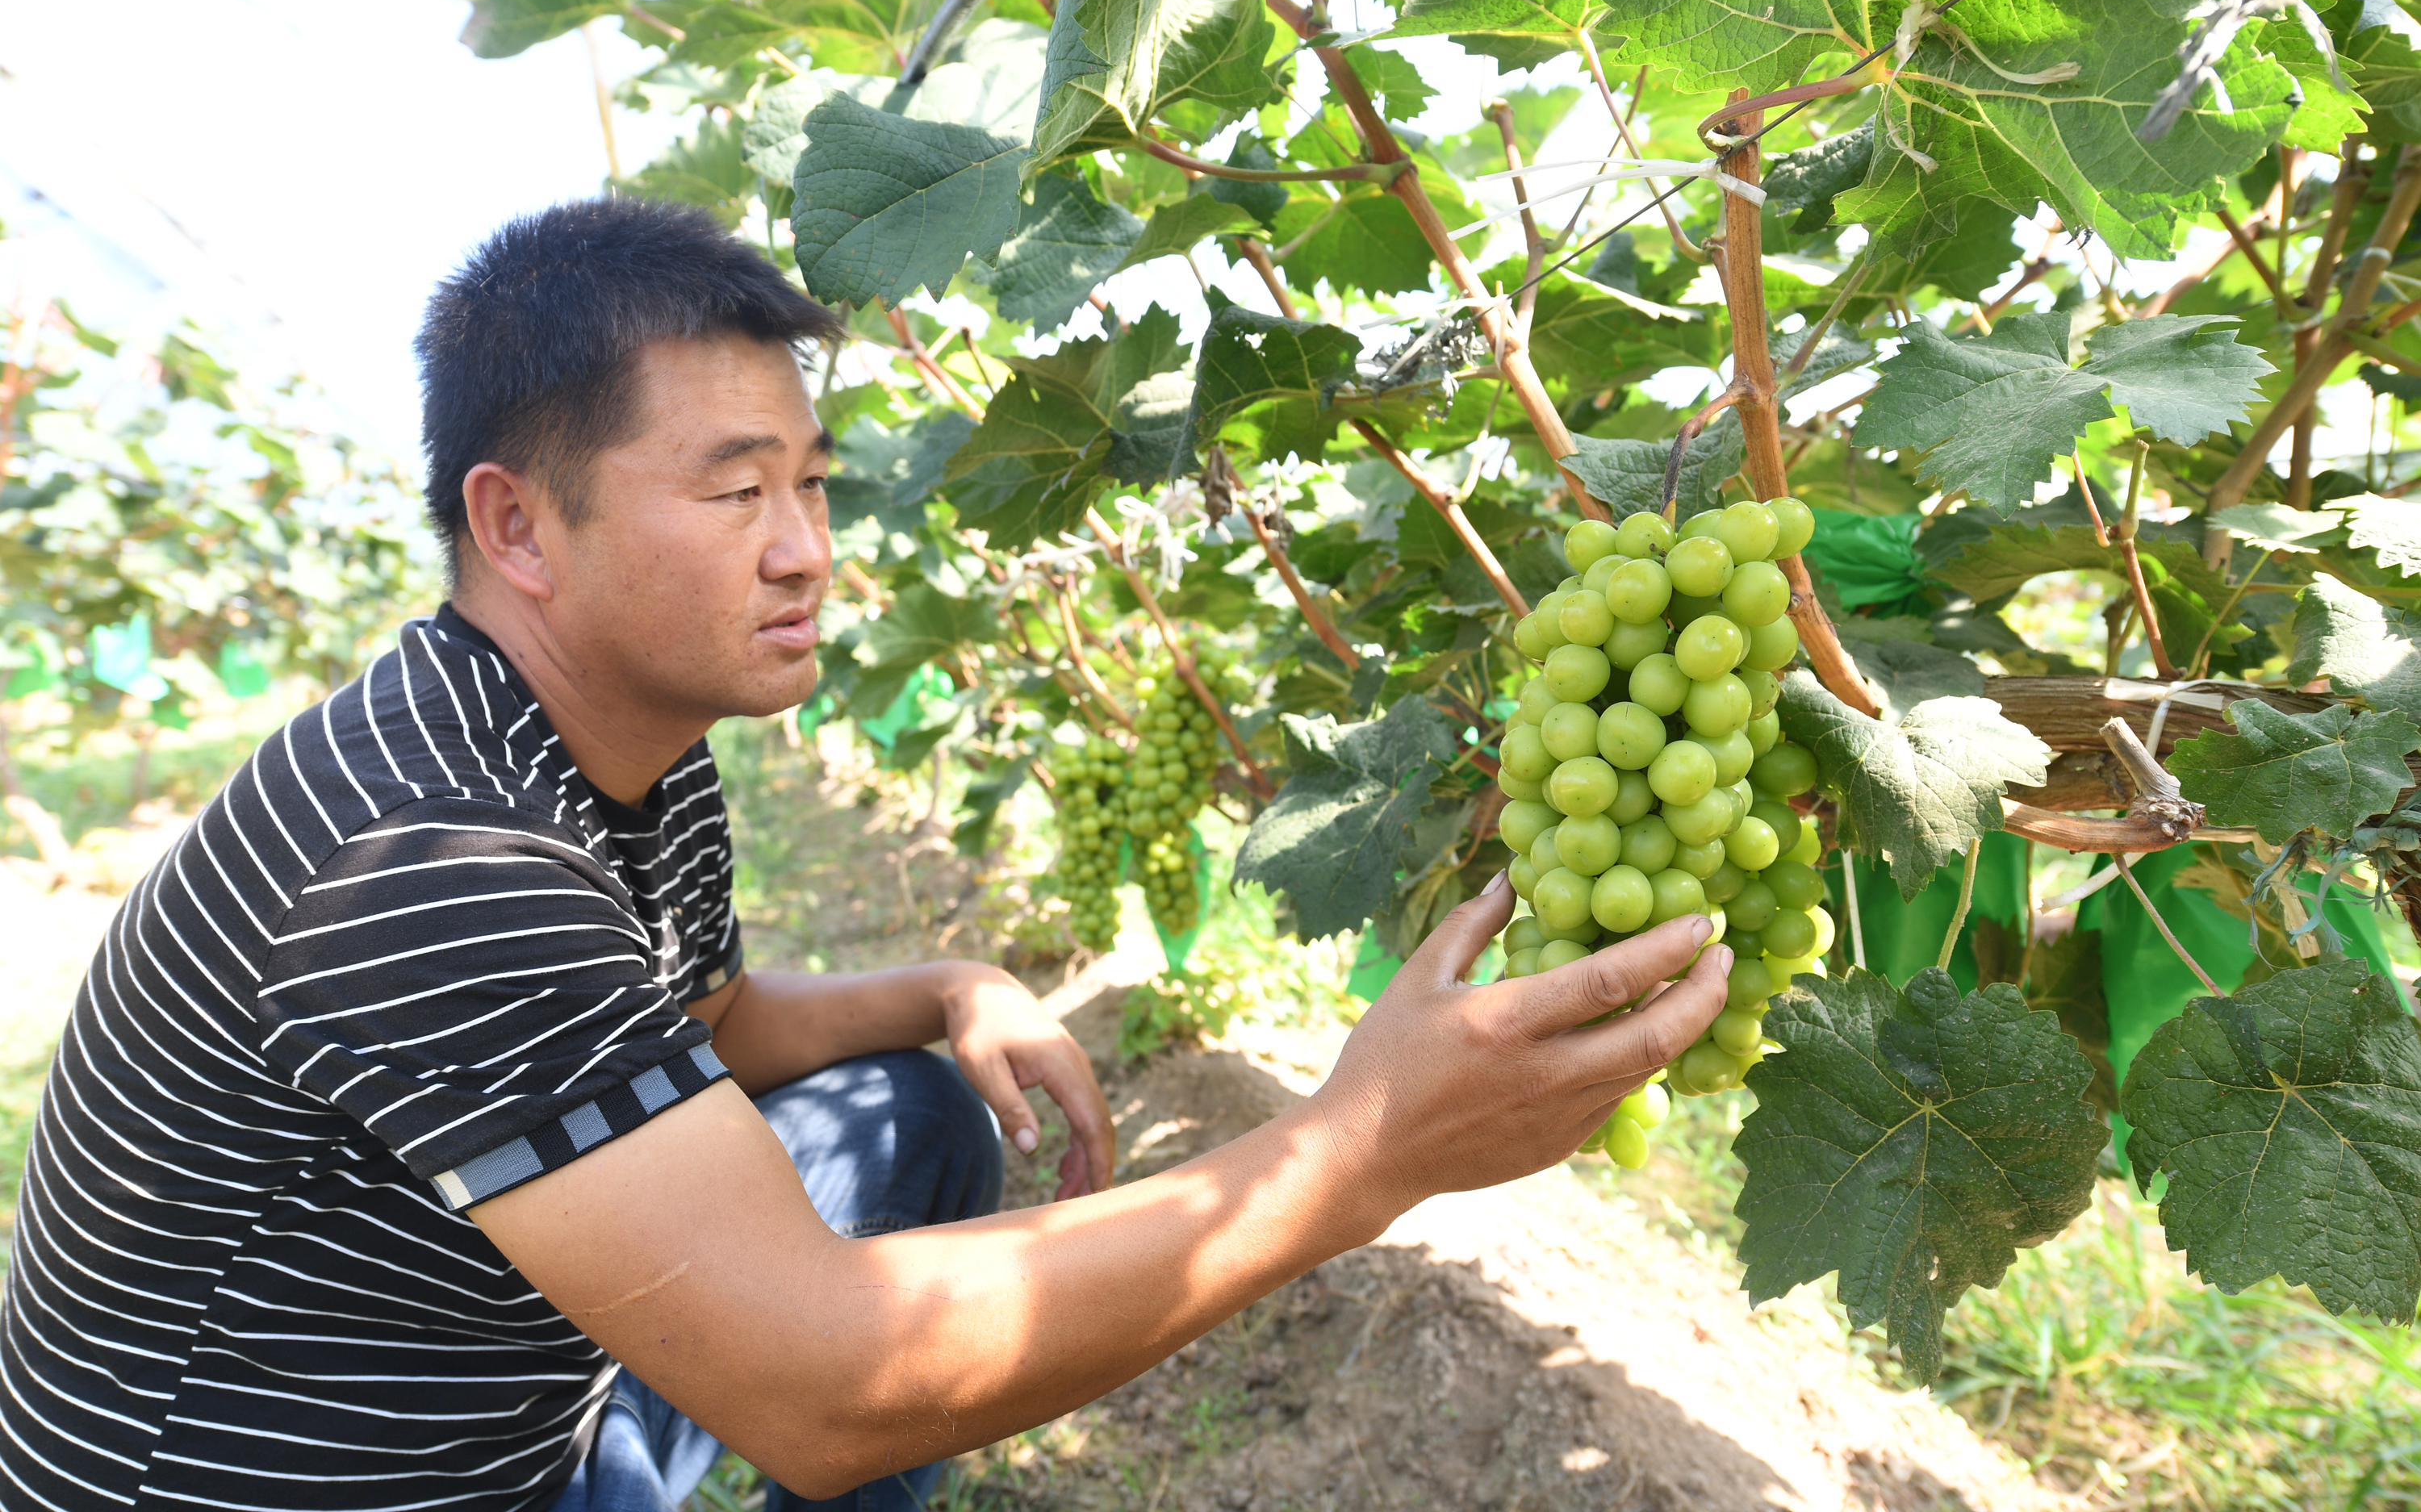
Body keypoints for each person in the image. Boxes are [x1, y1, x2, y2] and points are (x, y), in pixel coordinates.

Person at [0, 198, 1731, 1511]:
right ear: (515, 522)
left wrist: (946, 985)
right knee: (817, 1349)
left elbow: (719, 1020)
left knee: (909, 1102)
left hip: (500, 1405)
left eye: (814, 486)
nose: (806, 550)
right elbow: (829, 1379)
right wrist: (1358, 1153)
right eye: (737, 491)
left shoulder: (621, 756)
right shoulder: (432, 855)